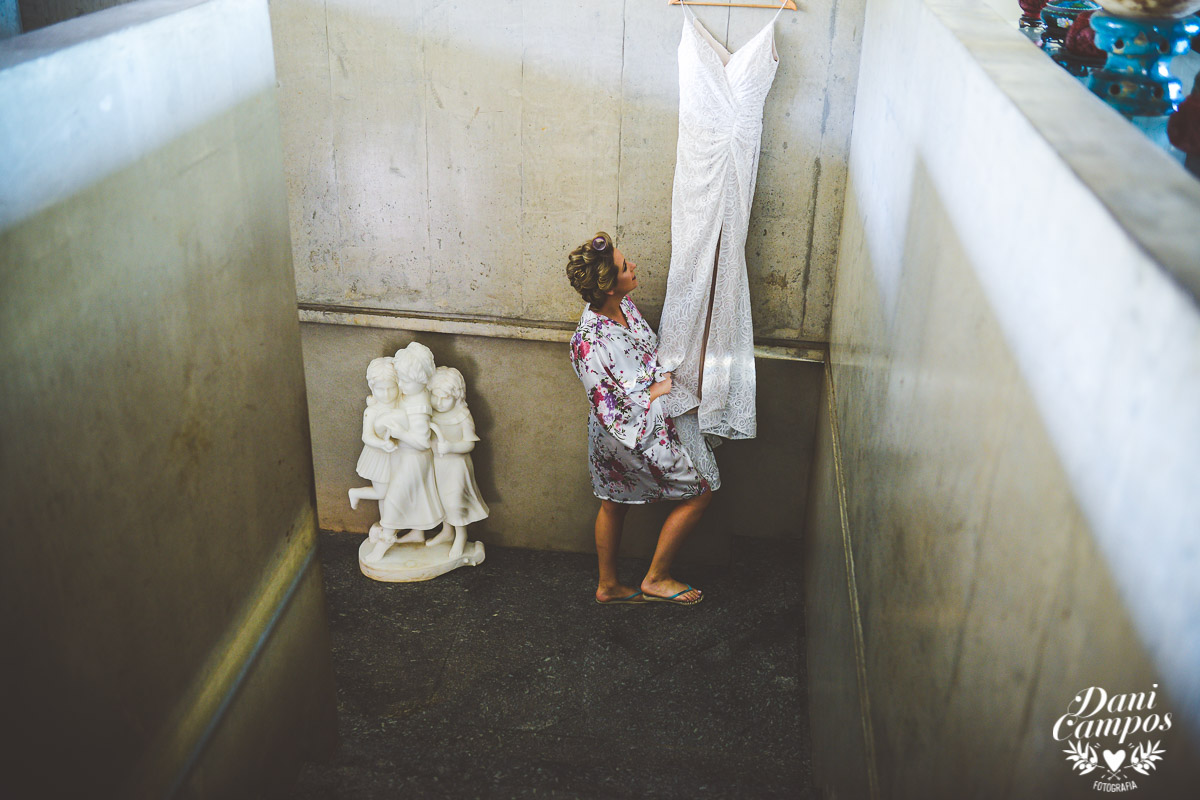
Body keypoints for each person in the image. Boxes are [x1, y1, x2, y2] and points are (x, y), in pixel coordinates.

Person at [567, 231, 713, 606]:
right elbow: (611, 407)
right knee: (699, 493)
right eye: (624, 266)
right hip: (625, 436)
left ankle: (608, 586)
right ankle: (656, 577)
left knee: (612, 504)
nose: (633, 266)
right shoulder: (589, 341)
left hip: (634, 425)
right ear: (609, 286)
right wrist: (657, 390)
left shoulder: (624, 306)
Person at [426, 365, 490, 560]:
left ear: (457, 395)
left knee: (455, 502)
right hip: (436, 465)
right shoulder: (431, 413)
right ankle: (447, 532)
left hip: (456, 466)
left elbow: (470, 443)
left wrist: (452, 448)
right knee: (440, 499)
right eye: (435, 396)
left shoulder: (462, 415)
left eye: (445, 397)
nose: (439, 402)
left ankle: (461, 536)